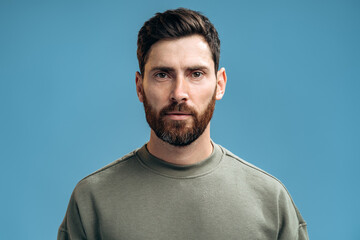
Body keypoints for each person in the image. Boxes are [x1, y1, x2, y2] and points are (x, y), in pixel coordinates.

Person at [58, 8, 309, 240]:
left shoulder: (271, 201)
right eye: (162, 75)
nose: (179, 93)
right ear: (139, 87)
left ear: (220, 84)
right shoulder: (92, 200)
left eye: (196, 74)